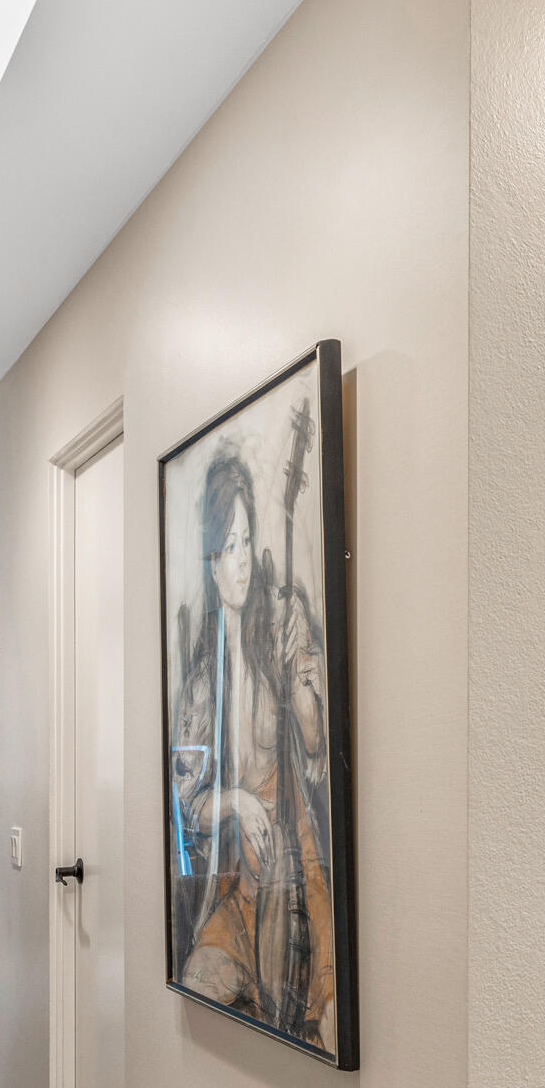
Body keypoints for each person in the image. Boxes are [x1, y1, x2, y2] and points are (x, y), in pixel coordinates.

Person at [166, 441, 335, 1053]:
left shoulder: (283, 621)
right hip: (236, 879)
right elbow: (189, 804)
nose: (241, 562)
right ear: (211, 562)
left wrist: (309, 689)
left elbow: (318, 747)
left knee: (321, 1020)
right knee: (197, 981)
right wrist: (234, 799)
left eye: (247, 542)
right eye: (228, 548)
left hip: (296, 863)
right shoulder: (201, 680)